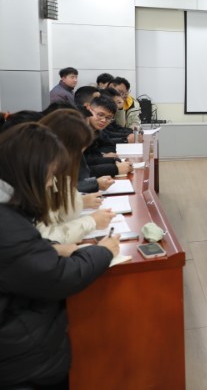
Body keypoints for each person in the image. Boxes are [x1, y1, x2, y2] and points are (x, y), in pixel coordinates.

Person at [0, 122, 119, 388]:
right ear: (31, 169)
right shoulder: (6, 220)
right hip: (22, 359)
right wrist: (103, 251)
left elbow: (25, 252)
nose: (52, 183)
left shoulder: (10, 206)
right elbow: (57, 276)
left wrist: (50, 247)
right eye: (50, 174)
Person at [38, 109, 116, 244]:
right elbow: (46, 239)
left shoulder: (56, 170)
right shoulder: (41, 176)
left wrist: (81, 201)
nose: (77, 159)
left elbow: (63, 213)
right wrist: (91, 221)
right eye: (77, 152)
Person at [83, 95, 132, 178]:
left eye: (108, 118)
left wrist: (109, 159)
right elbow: (79, 169)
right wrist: (115, 168)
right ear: (88, 108)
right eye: (100, 115)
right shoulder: (76, 129)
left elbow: (109, 145)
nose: (103, 120)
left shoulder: (96, 129)